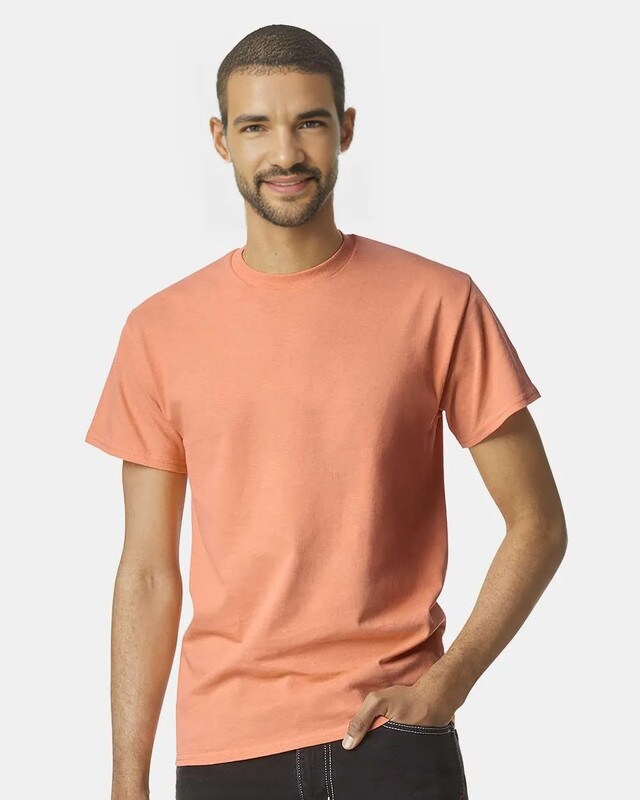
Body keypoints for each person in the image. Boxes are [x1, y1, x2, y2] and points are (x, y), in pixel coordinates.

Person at [85, 23, 567, 800]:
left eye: (308, 122)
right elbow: (146, 571)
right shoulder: (159, 331)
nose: (285, 153)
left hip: (395, 744)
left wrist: (445, 687)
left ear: (345, 128)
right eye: (255, 127)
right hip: (226, 751)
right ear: (221, 140)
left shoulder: (438, 302)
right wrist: (125, 781)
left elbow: (538, 522)